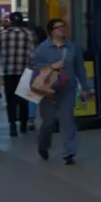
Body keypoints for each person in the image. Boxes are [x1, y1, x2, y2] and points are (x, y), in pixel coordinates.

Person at [30, 18, 90, 165]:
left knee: (67, 119)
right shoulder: (42, 50)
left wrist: (85, 87)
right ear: (51, 31)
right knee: (48, 122)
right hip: (49, 90)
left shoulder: (72, 47)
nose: (62, 30)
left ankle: (69, 153)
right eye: (58, 28)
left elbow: (80, 68)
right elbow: (35, 71)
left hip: (68, 89)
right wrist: (52, 67)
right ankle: (43, 145)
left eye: (64, 27)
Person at [0, 12, 36, 137]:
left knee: (10, 100)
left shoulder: (2, 34)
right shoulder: (29, 35)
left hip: (8, 72)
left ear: (11, 21)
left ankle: (12, 125)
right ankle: (23, 124)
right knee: (24, 100)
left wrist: (0, 72)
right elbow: (33, 54)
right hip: (25, 71)